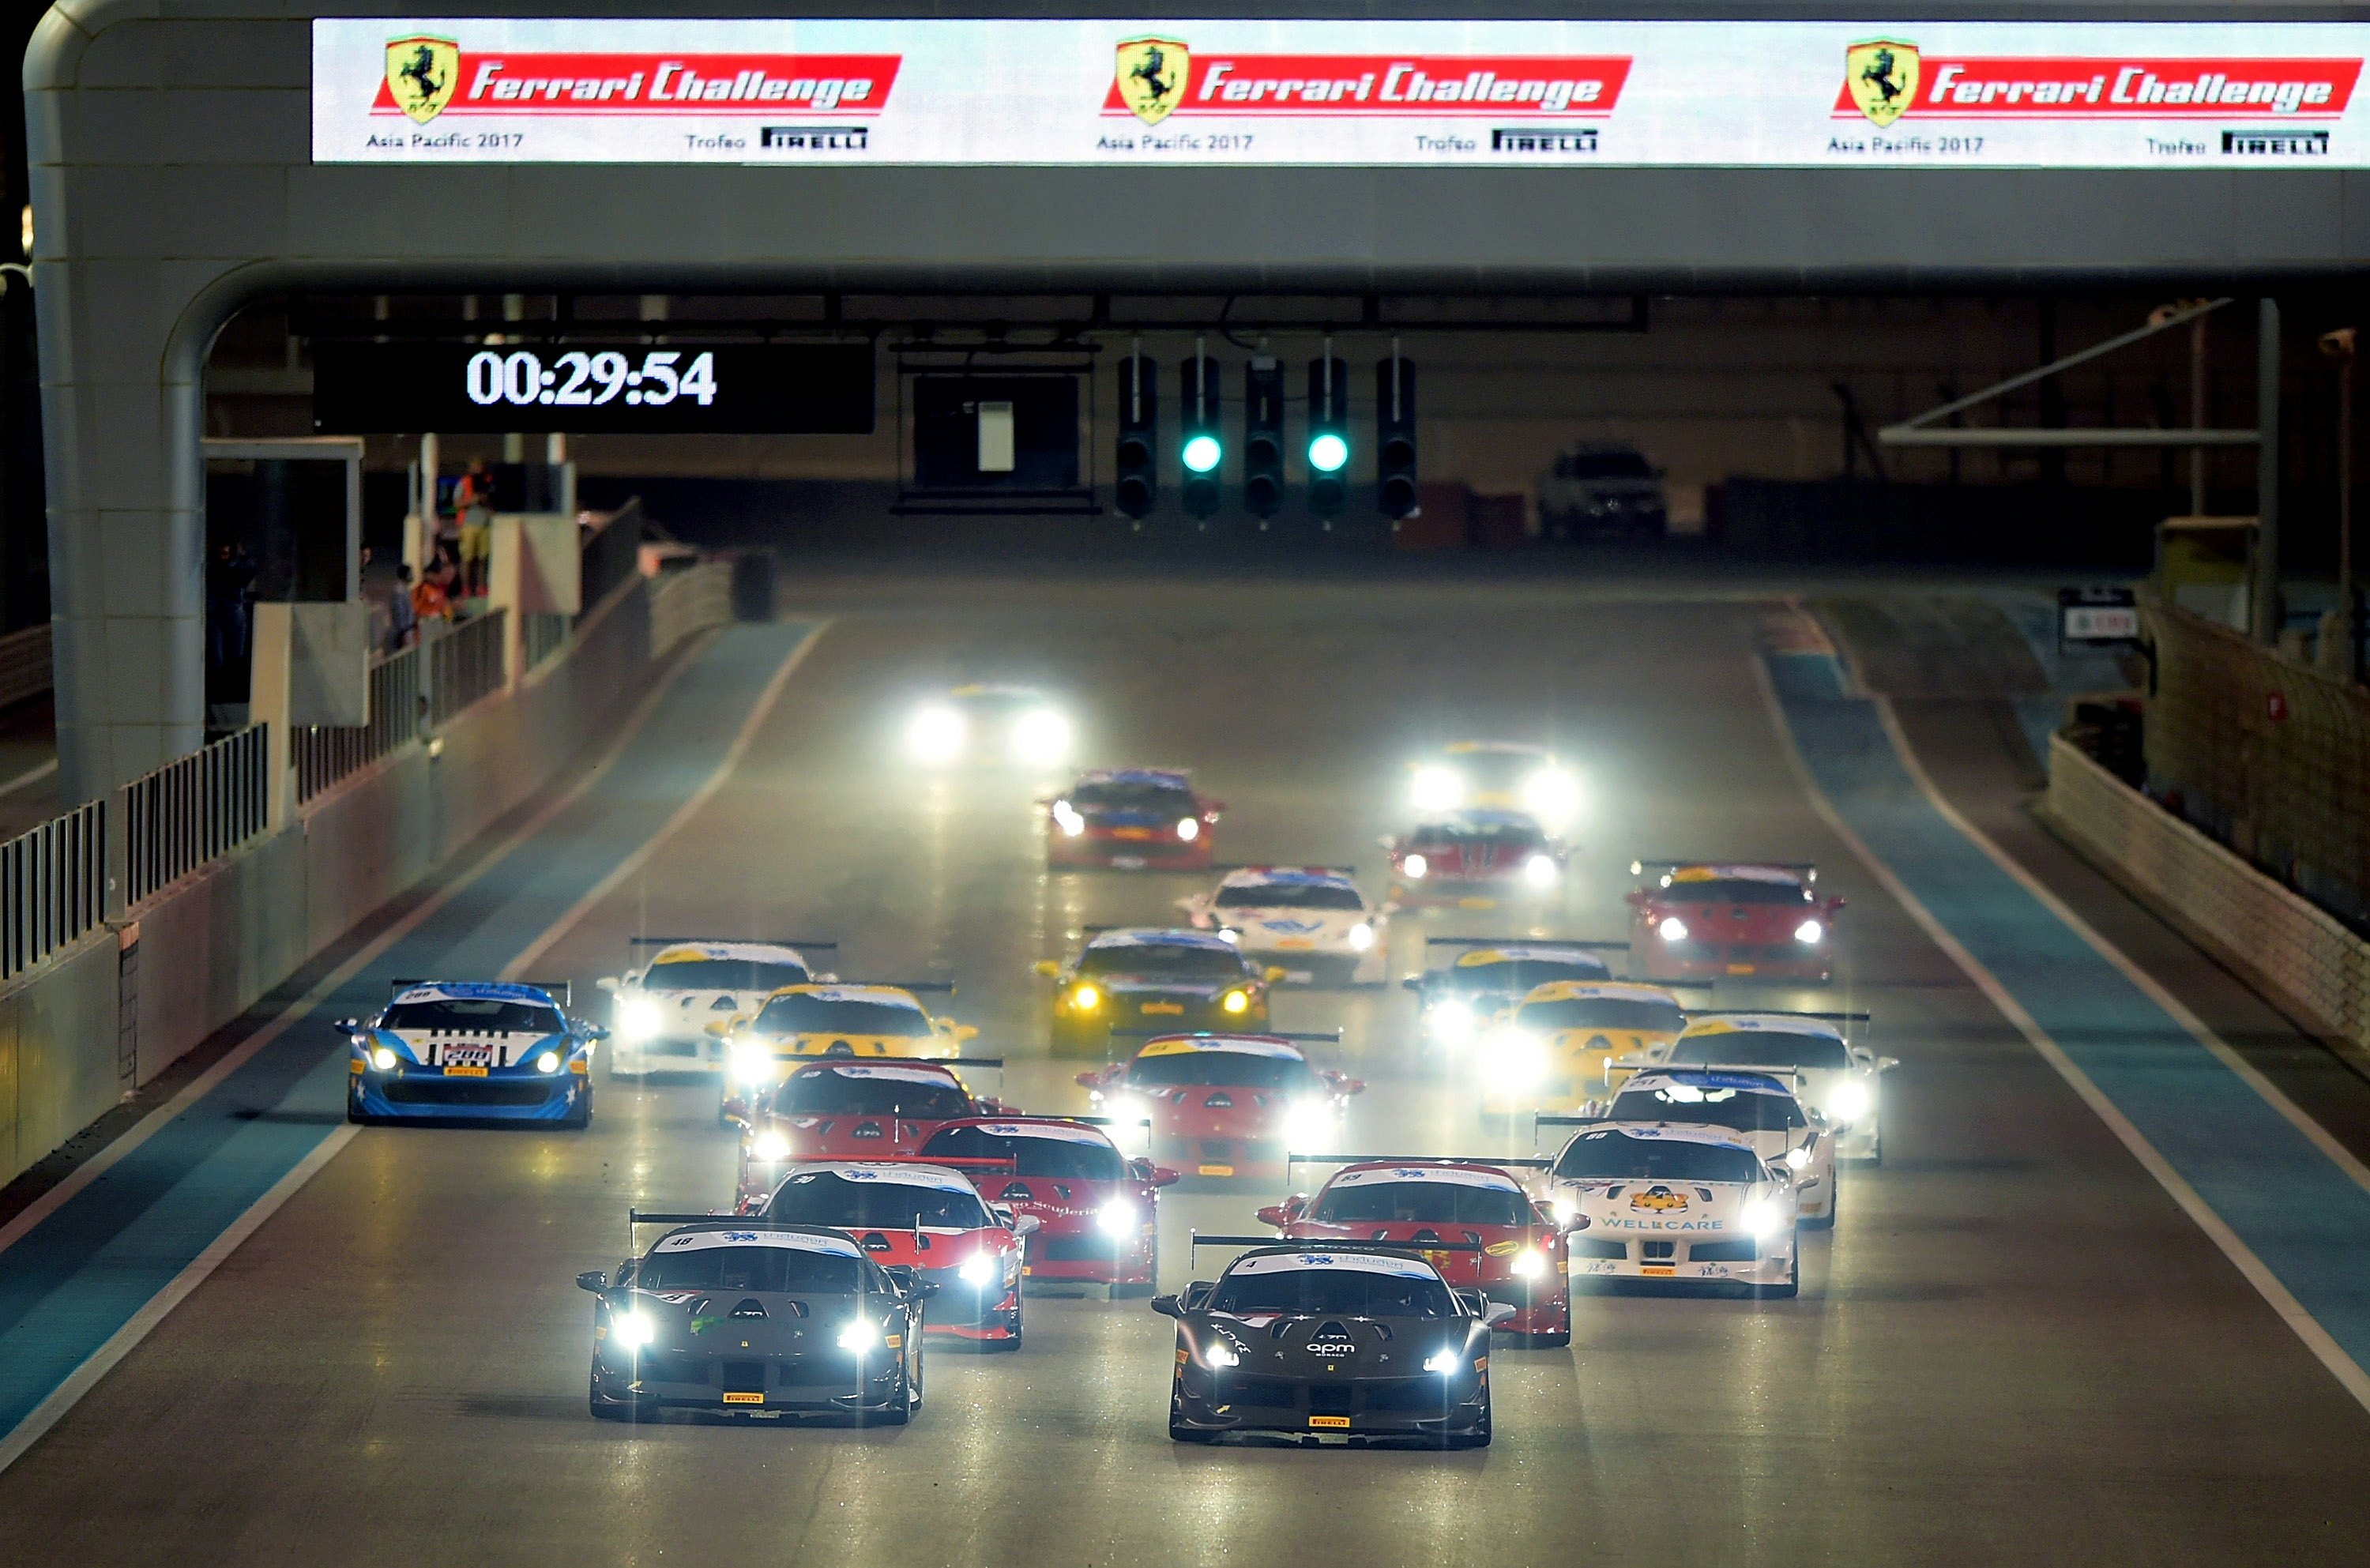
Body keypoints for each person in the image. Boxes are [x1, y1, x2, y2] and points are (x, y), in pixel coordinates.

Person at [454, 458, 495, 598]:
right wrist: (472, 500)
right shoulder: (464, 482)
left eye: (480, 466)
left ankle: (481, 587)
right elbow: (457, 503)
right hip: (468, 524)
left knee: (483, 558)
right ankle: (466, 588)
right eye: (475, 466)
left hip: (485, 524)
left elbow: (494, 503)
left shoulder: (489, 481)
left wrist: (486, 500)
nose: (478, 469)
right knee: (467, 558)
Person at [389, 562, 418, 651]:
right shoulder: (399, 591)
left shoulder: (405, 590)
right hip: (403, 632)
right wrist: (403, 631)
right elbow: (400, 612)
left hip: (407, 630)